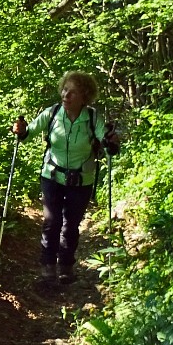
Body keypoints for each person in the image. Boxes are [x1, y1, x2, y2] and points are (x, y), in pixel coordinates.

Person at [11, 71, 120, 283]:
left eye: (72, 92)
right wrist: (20, 130)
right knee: (52, 221)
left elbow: (106, 144)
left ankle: (66, 265)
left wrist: (110, 142)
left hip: (81, 180)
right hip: (52, 175)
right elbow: (27, 133)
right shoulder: (52, 114)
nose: (66, 95)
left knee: (71, 224)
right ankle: (47, 266)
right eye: (64, 89)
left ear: (84, 96)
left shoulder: (92, 118)